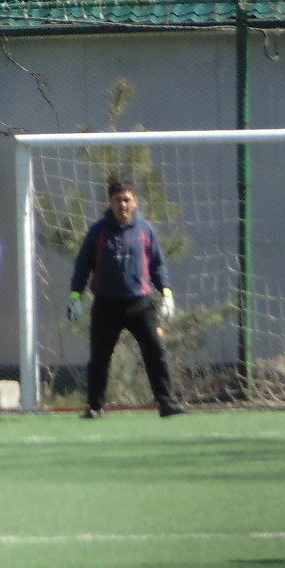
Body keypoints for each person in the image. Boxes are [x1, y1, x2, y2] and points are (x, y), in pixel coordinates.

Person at [68, 176, 187, 418]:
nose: (122, 205)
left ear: (135, 202)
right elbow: (82, 265)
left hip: (140, 304)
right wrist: (75, 296)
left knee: (156, 351)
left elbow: (157, 264)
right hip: (106, 305)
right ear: (110, 202)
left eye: (126, 200)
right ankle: (95, 406)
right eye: (117, 200)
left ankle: (166, 403)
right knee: (100, 356)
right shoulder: (98, 231)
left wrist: (166, 293)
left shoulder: (145, 230)